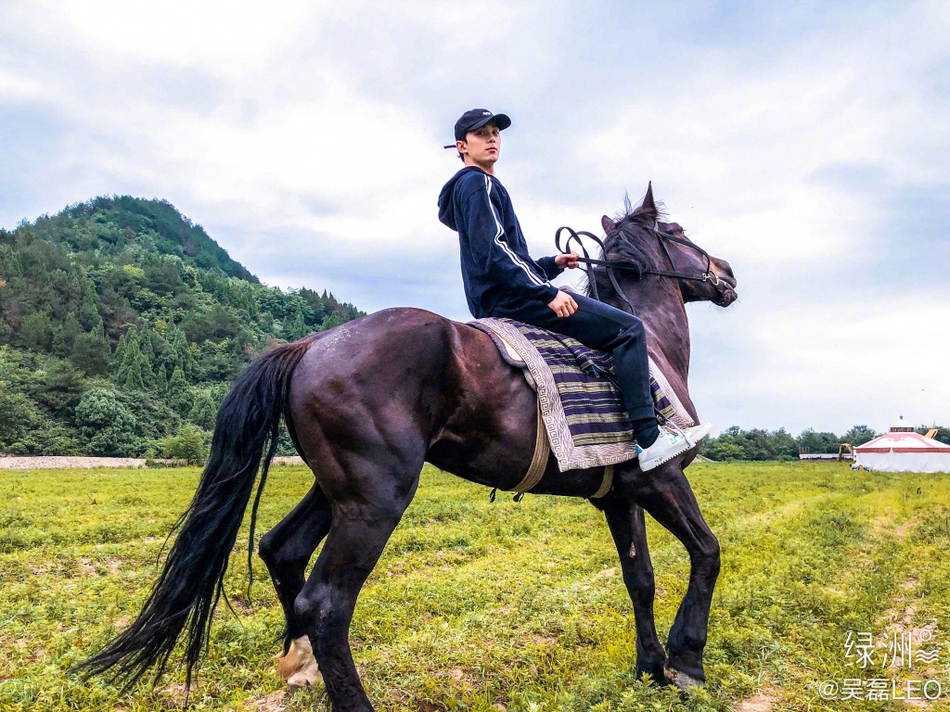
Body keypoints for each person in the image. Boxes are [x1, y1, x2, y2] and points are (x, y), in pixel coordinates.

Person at [437, 108, 711, 471]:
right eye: (481, 134)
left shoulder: (472, 188)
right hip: (515, 299)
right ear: (462, 146)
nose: (491, 139)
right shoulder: (478, 183)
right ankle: (649, 438)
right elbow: (494, 251)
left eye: (495, 133)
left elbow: (501, 257)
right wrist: (545, 291)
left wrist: (551, 265)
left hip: (500, 296)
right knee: (629, 330)